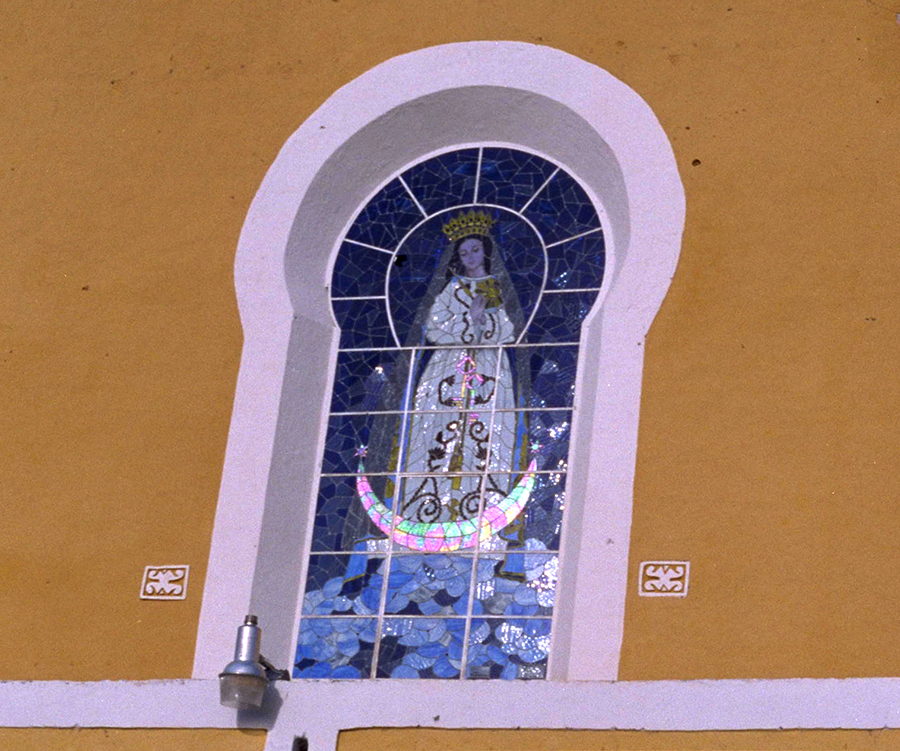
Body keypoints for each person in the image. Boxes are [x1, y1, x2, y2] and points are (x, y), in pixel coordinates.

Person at [396, 211, 520, 528]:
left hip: (489, 369)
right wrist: (467, 321)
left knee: (486, 435)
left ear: (486, 252)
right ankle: (425, 508)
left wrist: (483, 320)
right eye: (463, 253)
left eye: (475, 250)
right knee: (435, 430)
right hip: (447, 370)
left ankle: (481, 511)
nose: (469, 257)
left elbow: (509, 330)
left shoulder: (499, 286)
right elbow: (434, 327)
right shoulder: (452, 289)